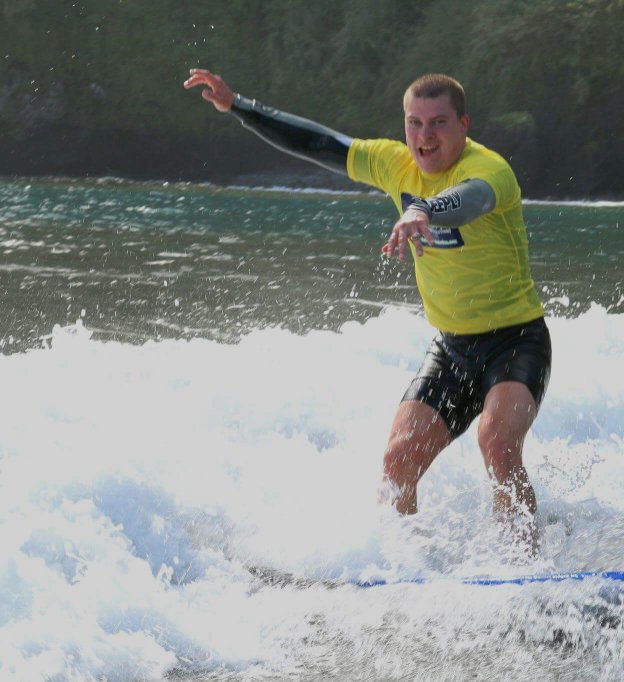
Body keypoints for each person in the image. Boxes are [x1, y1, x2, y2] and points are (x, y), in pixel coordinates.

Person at [184, 69, 550, 552]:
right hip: (452, 346)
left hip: (516, 340)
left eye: (439, 123)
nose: (425, 136)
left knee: (497, 443)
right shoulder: (394, 164)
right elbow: (318, 143)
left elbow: (470, 201)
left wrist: (424, 211)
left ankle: (524, 563)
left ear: (464, 124)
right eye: (415, 123)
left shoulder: (489, 171)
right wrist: (238, 106)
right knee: (398, 462)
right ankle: (407, 569)